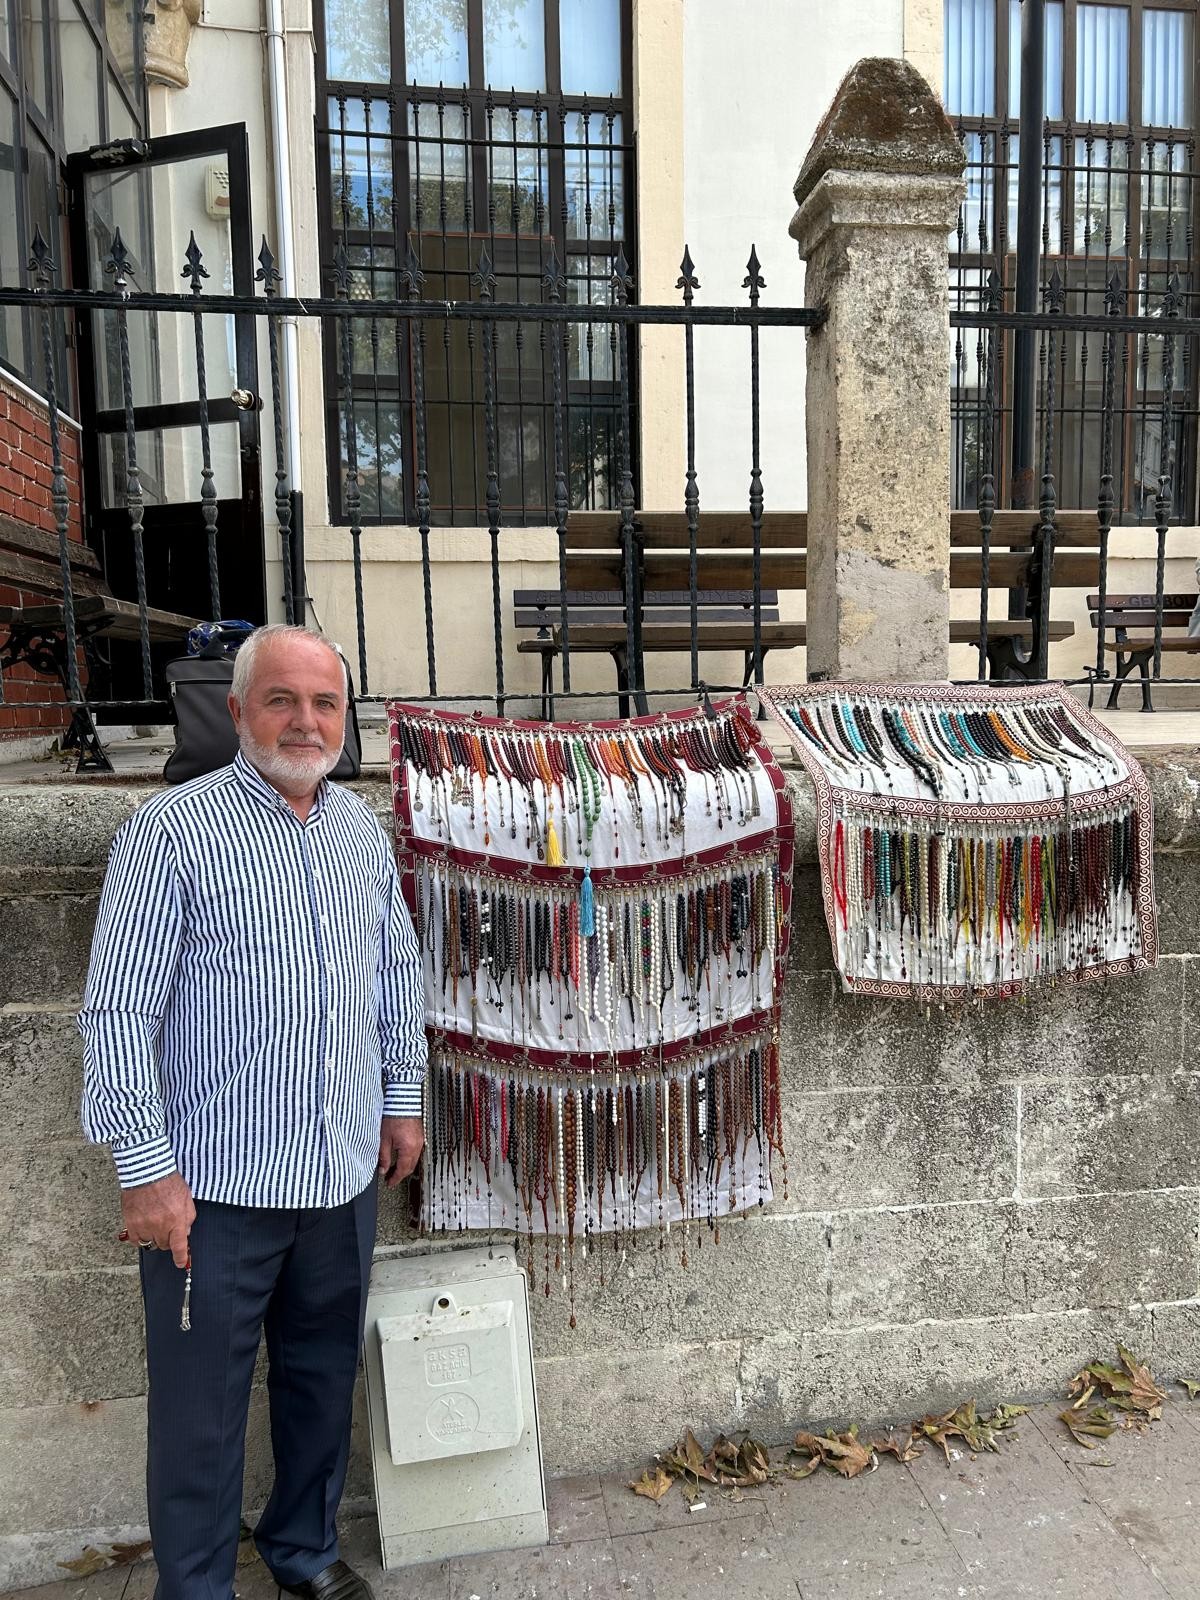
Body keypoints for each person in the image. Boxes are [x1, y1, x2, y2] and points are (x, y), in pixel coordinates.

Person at [78, 623, 428, 1600]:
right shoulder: (171, 830)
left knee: (320, 1390)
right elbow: (118, 1008)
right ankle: (193, 1590)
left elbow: (395, 972)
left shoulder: (361, 831)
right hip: (213, 1196)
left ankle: (305, 1554)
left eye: (324, 702)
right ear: (237, 711)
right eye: (282, 699)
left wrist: (400, 1100)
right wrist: (145, 1167)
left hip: (340, 1176)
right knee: (199, 1416)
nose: (305, 720)